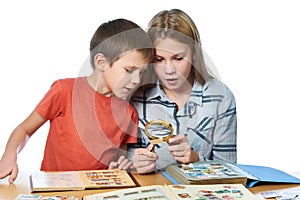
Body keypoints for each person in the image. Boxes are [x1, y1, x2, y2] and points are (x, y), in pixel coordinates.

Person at [0, 18, 154, 182]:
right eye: (129, 70)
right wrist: (10, 155)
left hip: (99, 190)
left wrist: (118, 167)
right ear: (101, 62)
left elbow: (119, 160)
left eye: (141, 73)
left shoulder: (128, 113)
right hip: (55, 189)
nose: (137, 80)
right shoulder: (64, 91)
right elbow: (24, 129)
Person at [128, 9, 237, 174]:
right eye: (159, 60)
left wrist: (195, 159)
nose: (169, 70)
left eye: (178, 58)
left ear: (194, 53)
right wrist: (135, 164)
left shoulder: (221, 97)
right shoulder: (137, 97)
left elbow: (231, 170)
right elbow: (127, 163)